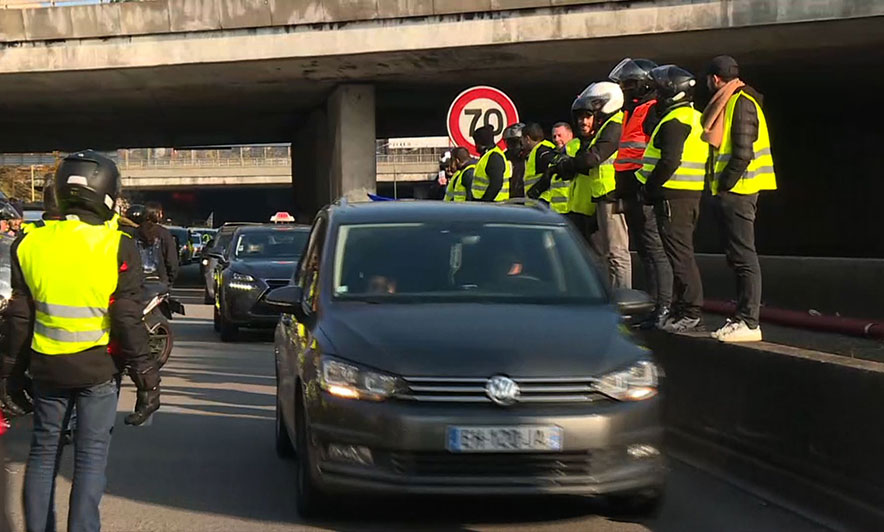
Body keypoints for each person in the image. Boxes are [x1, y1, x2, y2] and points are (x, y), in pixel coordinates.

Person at [6, 150, 160, 532]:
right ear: (108, 192)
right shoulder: (116, 245)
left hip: (46, 371)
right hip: (98, 373)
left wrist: (9, 375)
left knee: (43, 457)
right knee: (90, 461)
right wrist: (147, 378)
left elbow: (19, 320)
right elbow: (126, 319)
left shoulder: (29, 244)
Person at [703, 55, 777, 342]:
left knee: (744, 255)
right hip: (734, 190)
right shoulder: (734, 100)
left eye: (709, 79)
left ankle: (749, 321)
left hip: (740, 190)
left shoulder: (741, 102)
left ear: (716, 79)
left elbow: (742, 152)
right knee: (738, 256)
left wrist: (724, 185)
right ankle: (743, 317)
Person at [636, 65, 708, 333]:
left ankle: (690, 310)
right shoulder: (692, 116)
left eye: (659, 89)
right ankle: (681, 308)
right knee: (677, 252)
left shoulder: (675, 121)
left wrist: (649, 188)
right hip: (684, 194)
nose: (655, 95)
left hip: (673, 195)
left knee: (679, 255)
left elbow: (669, 161)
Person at [610, 57, 673, 326]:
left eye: (631, 84)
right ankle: (652, 304)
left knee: (655, 248)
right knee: (645, 251)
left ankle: (664, 305)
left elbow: (652, 153)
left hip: (643, 188)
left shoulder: (652, 110)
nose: (626, 89)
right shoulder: (631, 111)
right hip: (630, 189)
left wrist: (645, 187)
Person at [554, 83, 626, 285]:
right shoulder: (592, 137)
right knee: (597, 257)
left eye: (587, 116)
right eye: (579, 117)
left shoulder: (613, 128)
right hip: (591, 201)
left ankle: (624, 300)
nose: (582, 121)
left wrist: (568, 166)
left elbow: (591, 160)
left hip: (609, 196)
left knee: (616, 254)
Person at [135, 202, 179, 289]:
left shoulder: (135, 232)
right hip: (160, 281)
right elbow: (172, 261)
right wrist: (169, 280)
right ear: (158, 215)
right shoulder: (164, 234)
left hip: (137, 282)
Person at [521, 123, 559, 208]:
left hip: (541, 202)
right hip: (538, 202)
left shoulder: (542, 151)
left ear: (527, 138)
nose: (521, 143)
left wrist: (536, 190)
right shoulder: (541, 150)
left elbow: (551, 170)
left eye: (522, 139)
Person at [470, 125, 511, 202]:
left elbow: (496, 185)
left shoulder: (494, 157)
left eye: (476, 143)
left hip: (495, 205)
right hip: (490, 204)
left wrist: (485, 202)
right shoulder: (488, 155)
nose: (476, 146)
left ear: (481, 143)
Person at [504, 123, 527, 198]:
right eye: (509, 143)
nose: (511, 147)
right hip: (509, 199)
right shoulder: (504, 157)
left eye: (514, 142)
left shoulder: (529, 157)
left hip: (526, 199)